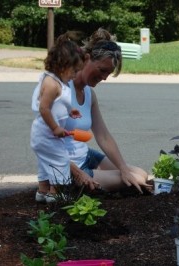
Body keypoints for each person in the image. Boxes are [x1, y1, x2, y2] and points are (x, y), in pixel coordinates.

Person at [64, 28, 151, 194]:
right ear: (87, 59)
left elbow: (103, 136)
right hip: (67, 167)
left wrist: (123, 169)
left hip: (85, 156)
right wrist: (78, 173)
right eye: (102, 70)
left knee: (140, 174)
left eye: (108, 74)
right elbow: (48, 144)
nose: (104, 78)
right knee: (136, 181)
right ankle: (84, 187)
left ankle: (105, 184)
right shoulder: (61, 90)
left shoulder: (90, 94)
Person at [30, 32, 84, 203]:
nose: (76, 75)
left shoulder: (59, 81)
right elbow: (44, 108)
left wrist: (70, 111)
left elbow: (58, 104)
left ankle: (43, 191)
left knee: (46, 162)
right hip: (47, 133)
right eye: (75, 70)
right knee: (60, 160)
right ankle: (55, 195)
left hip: (45, 134)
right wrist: (55, 127)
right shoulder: (52, 84)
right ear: (62, 65)